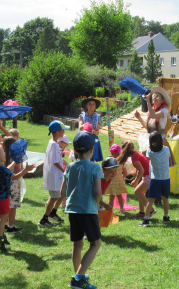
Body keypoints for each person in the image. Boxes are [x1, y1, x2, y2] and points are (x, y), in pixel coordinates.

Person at [60, 131, 103, 289]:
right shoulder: (95, 167)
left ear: (75, 151)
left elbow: (62, 192)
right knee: (96, 244)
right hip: (88, 210)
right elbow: (98, 192)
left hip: (73, 211)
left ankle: (79, 275)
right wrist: (97, 204)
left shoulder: (70, 166)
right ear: (92, 150)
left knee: (77, 244)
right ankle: (78, 279)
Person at [0, 144, 35, 252]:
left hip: (2, 196)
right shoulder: (1, 168)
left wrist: (15, 161)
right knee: (3, 219)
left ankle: (0, 235)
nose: (4, 153)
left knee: (3, 219)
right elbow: (15, 176)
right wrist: (26, 169)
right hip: (2, 197)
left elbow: (8, 170)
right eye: (2, 152)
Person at [134, 86, 176, 166]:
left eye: (157, 96)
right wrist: (139, 118)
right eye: (154, 95)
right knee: (145, 161)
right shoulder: (150, 111)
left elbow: (153, 115)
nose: (154, 97)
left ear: (162, 100)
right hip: (150, 138)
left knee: (155, 163)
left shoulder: (164, 111)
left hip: (160, 140)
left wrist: (147, 101)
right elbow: (148, 127)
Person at [39, 121, 70, 227]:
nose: (64, 131)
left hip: (54, 175)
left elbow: (56, 159)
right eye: (63, 130)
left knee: (57, 195)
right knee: (53, 197)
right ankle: (44, 219)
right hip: (53, 175)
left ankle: (51, 214)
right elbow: (55, 161)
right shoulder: (54, 145)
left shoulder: (53, 143)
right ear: (57, 131)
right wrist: (64, 170)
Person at [116, 140, 156, 219]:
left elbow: (141, 170)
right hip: (147, 175)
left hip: (149, 176)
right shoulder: (135, 154)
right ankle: (141, 212)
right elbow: (139, 170)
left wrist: (135, 180)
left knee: (137, 192)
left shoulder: (134, 157)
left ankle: (150, 210)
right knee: (140, 192)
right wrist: (136, 180)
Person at [138, 132, 171, 227]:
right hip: (165, 179)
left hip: (155, 179)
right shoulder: (166, 150)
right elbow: (165, 148)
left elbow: (148, 150)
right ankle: (166, 216)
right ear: (161, 141)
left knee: (151, 200)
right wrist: (163, 140)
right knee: (165, 198)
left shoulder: (150, 153)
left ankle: (146, 219)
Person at [3, 136, 26, 234]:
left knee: (6, 206)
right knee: (13, 207)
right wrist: (24, 168)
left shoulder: (2, 155)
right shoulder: (15, 157)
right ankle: (11, 227)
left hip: (4, 184)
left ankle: (4, 225)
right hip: (14, 184)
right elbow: (18, 172)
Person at [78, 96, 103, 162]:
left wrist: (94, 131)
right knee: (83, 159)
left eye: (93, 104)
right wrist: (84, 126)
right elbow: (80, 127)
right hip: (84, 138)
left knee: (92, 160)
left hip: (93, 139)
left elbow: (97, 132)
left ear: (95, 106)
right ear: (86, 105)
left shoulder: (98, 117)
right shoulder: (82, 116)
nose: (91, 106)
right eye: (90, 104)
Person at [105, 144, 128, 213]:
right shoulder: (121, 161)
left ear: (111, 152)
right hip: (118, 182)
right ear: (120, 152)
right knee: (119, 196)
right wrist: (121, 177)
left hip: (111, 181)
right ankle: (122, 209)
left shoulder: (108, 160)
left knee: (111, 197)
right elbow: (125, 173)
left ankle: (110, 210)